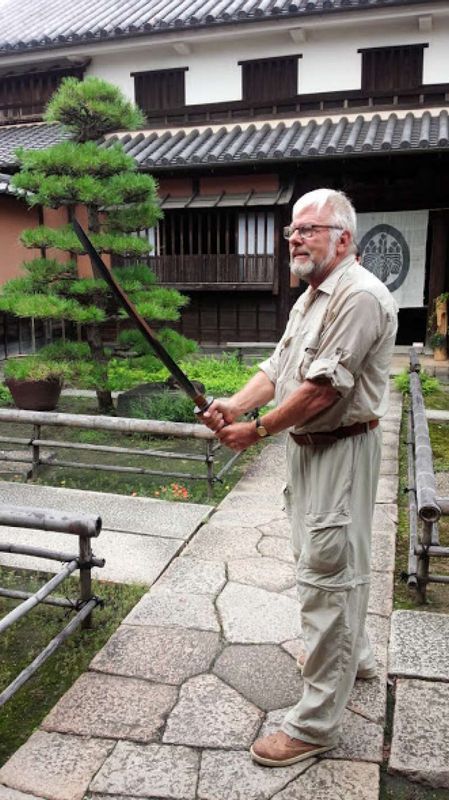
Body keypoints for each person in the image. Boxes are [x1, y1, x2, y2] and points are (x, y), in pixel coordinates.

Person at [202, 188, 398, 767]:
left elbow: (320, 390)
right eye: (292, 230)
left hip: (340, 450)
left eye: (308, 229)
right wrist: (237, 405)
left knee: (328, 575)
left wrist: (256, 432)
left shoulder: (359, 297)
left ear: (344, 237)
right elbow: (279, 368)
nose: (295, 238)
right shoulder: (312, 296)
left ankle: (315, 725)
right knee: (326, 561)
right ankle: (354, 657)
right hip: (311, 453)